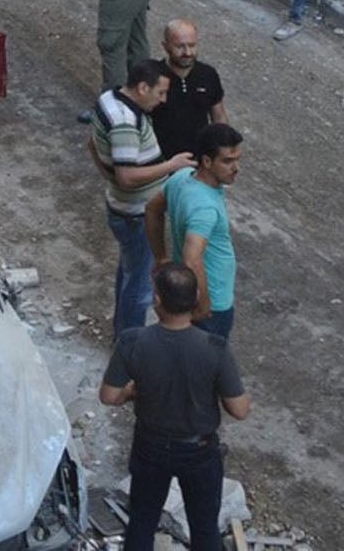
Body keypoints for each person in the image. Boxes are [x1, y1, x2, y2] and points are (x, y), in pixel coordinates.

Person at [98, 261, 249, 551]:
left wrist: (133, 392)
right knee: (205, 531)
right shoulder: (215, 348)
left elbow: (108, 396)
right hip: (199, 452)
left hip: (150, 446)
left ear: (157, 300)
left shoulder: (133, 342)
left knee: (141, 524)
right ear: (194, 300)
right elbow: (240, 410)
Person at [90, 59, 194, 335]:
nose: (162, 101)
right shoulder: (125, 120)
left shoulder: (108, 99)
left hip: (122, 206)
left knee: (129, 271)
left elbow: (92, 145)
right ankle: (129, 344)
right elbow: (127, 176)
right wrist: (171, 166)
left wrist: (109, 177)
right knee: (140, 287)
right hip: (136, 215)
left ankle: (121, 330)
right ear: (142, 87)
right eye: (159, 93)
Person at [148, 123, 244, 340]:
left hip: (188, 293)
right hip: (214, 303)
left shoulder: (182, 177)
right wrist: (204, 304)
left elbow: (153, 208)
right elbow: (192, 260)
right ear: (207, 161)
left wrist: (160, 257)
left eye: (237, 159)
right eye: (227, 161)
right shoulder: (205, 208)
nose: (236, 167)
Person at [150, 19, 228, 165]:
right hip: (160, 162)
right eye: (180, 46)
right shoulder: (153, 76)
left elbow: (219, 116)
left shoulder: (208, 74)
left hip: (197, 162)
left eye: (192, 45)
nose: (187, 52)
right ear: (165, 46)